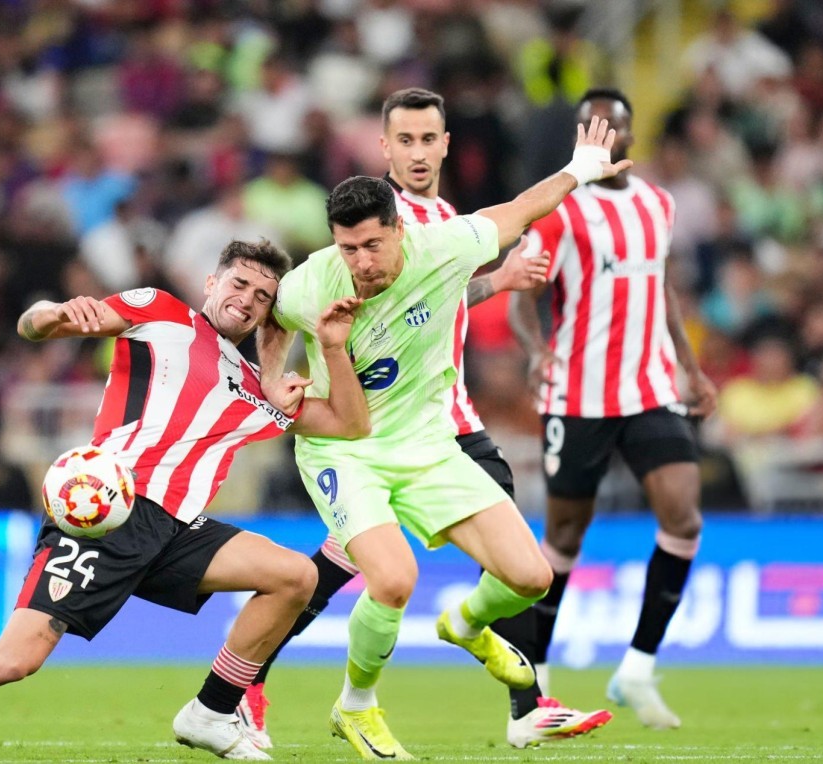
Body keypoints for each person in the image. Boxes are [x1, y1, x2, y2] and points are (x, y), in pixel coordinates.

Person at [0, 239, 372, 762]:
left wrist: (332, 347)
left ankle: (211, 712)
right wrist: (47, 316)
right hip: (101, 513)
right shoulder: (161, 311)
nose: (246, 300)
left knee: (294, 577)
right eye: (239, 284)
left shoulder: (257, 389)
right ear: (212, 282)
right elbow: (39, 324)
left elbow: (350, 424)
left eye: (263, 296)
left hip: (175, 529)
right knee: (11, 661)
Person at [237, 87, 610, 751]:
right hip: (350, 444)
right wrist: (272, 381)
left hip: (433, 430)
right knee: (379, 575)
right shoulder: (332, 260)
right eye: (403, 140)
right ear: (384, 148)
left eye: (427, 139)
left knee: (528, 576)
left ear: (445, 145)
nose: (361, 262)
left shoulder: (444, 233)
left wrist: (578, 171)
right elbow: (271, 312)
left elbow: (516, 215)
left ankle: (468, 632)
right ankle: (328, 696)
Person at [507, 89, 718, 731]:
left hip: (650, 388)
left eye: (613, 126)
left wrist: (689, 367)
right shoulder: (562, 208)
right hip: (579, 393)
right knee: (564, 537)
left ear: (630, 134)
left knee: (684, 518)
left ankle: (638, 668)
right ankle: (537, 674)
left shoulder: (659, 203)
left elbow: (662, 286)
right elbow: (521, 292)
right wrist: (536, 350)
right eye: (589, 127)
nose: (602, 135)